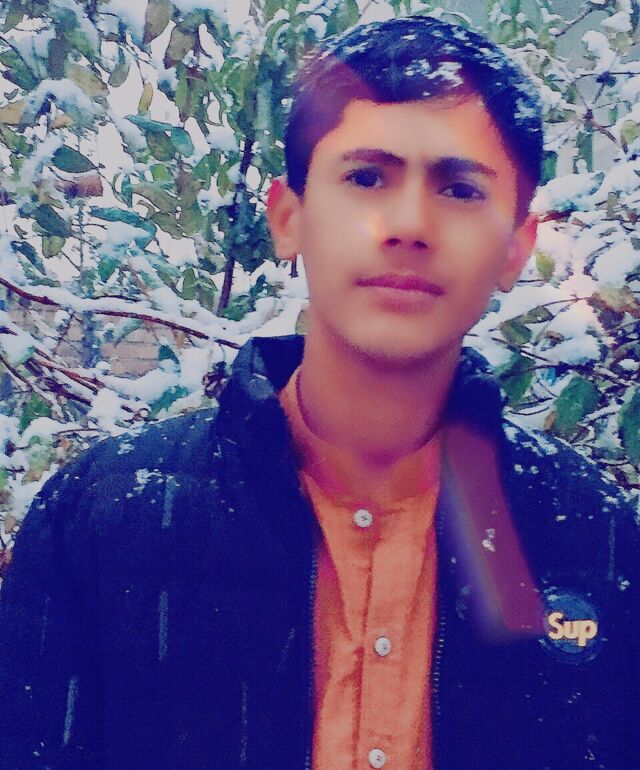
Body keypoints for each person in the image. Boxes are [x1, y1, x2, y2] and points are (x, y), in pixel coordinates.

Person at [0, 15, 637, 770]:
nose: (409, 224)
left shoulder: (597, 541)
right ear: (288, 218)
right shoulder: (101, 523)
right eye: (366, 178)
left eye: (460, 188)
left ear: (515, 249)